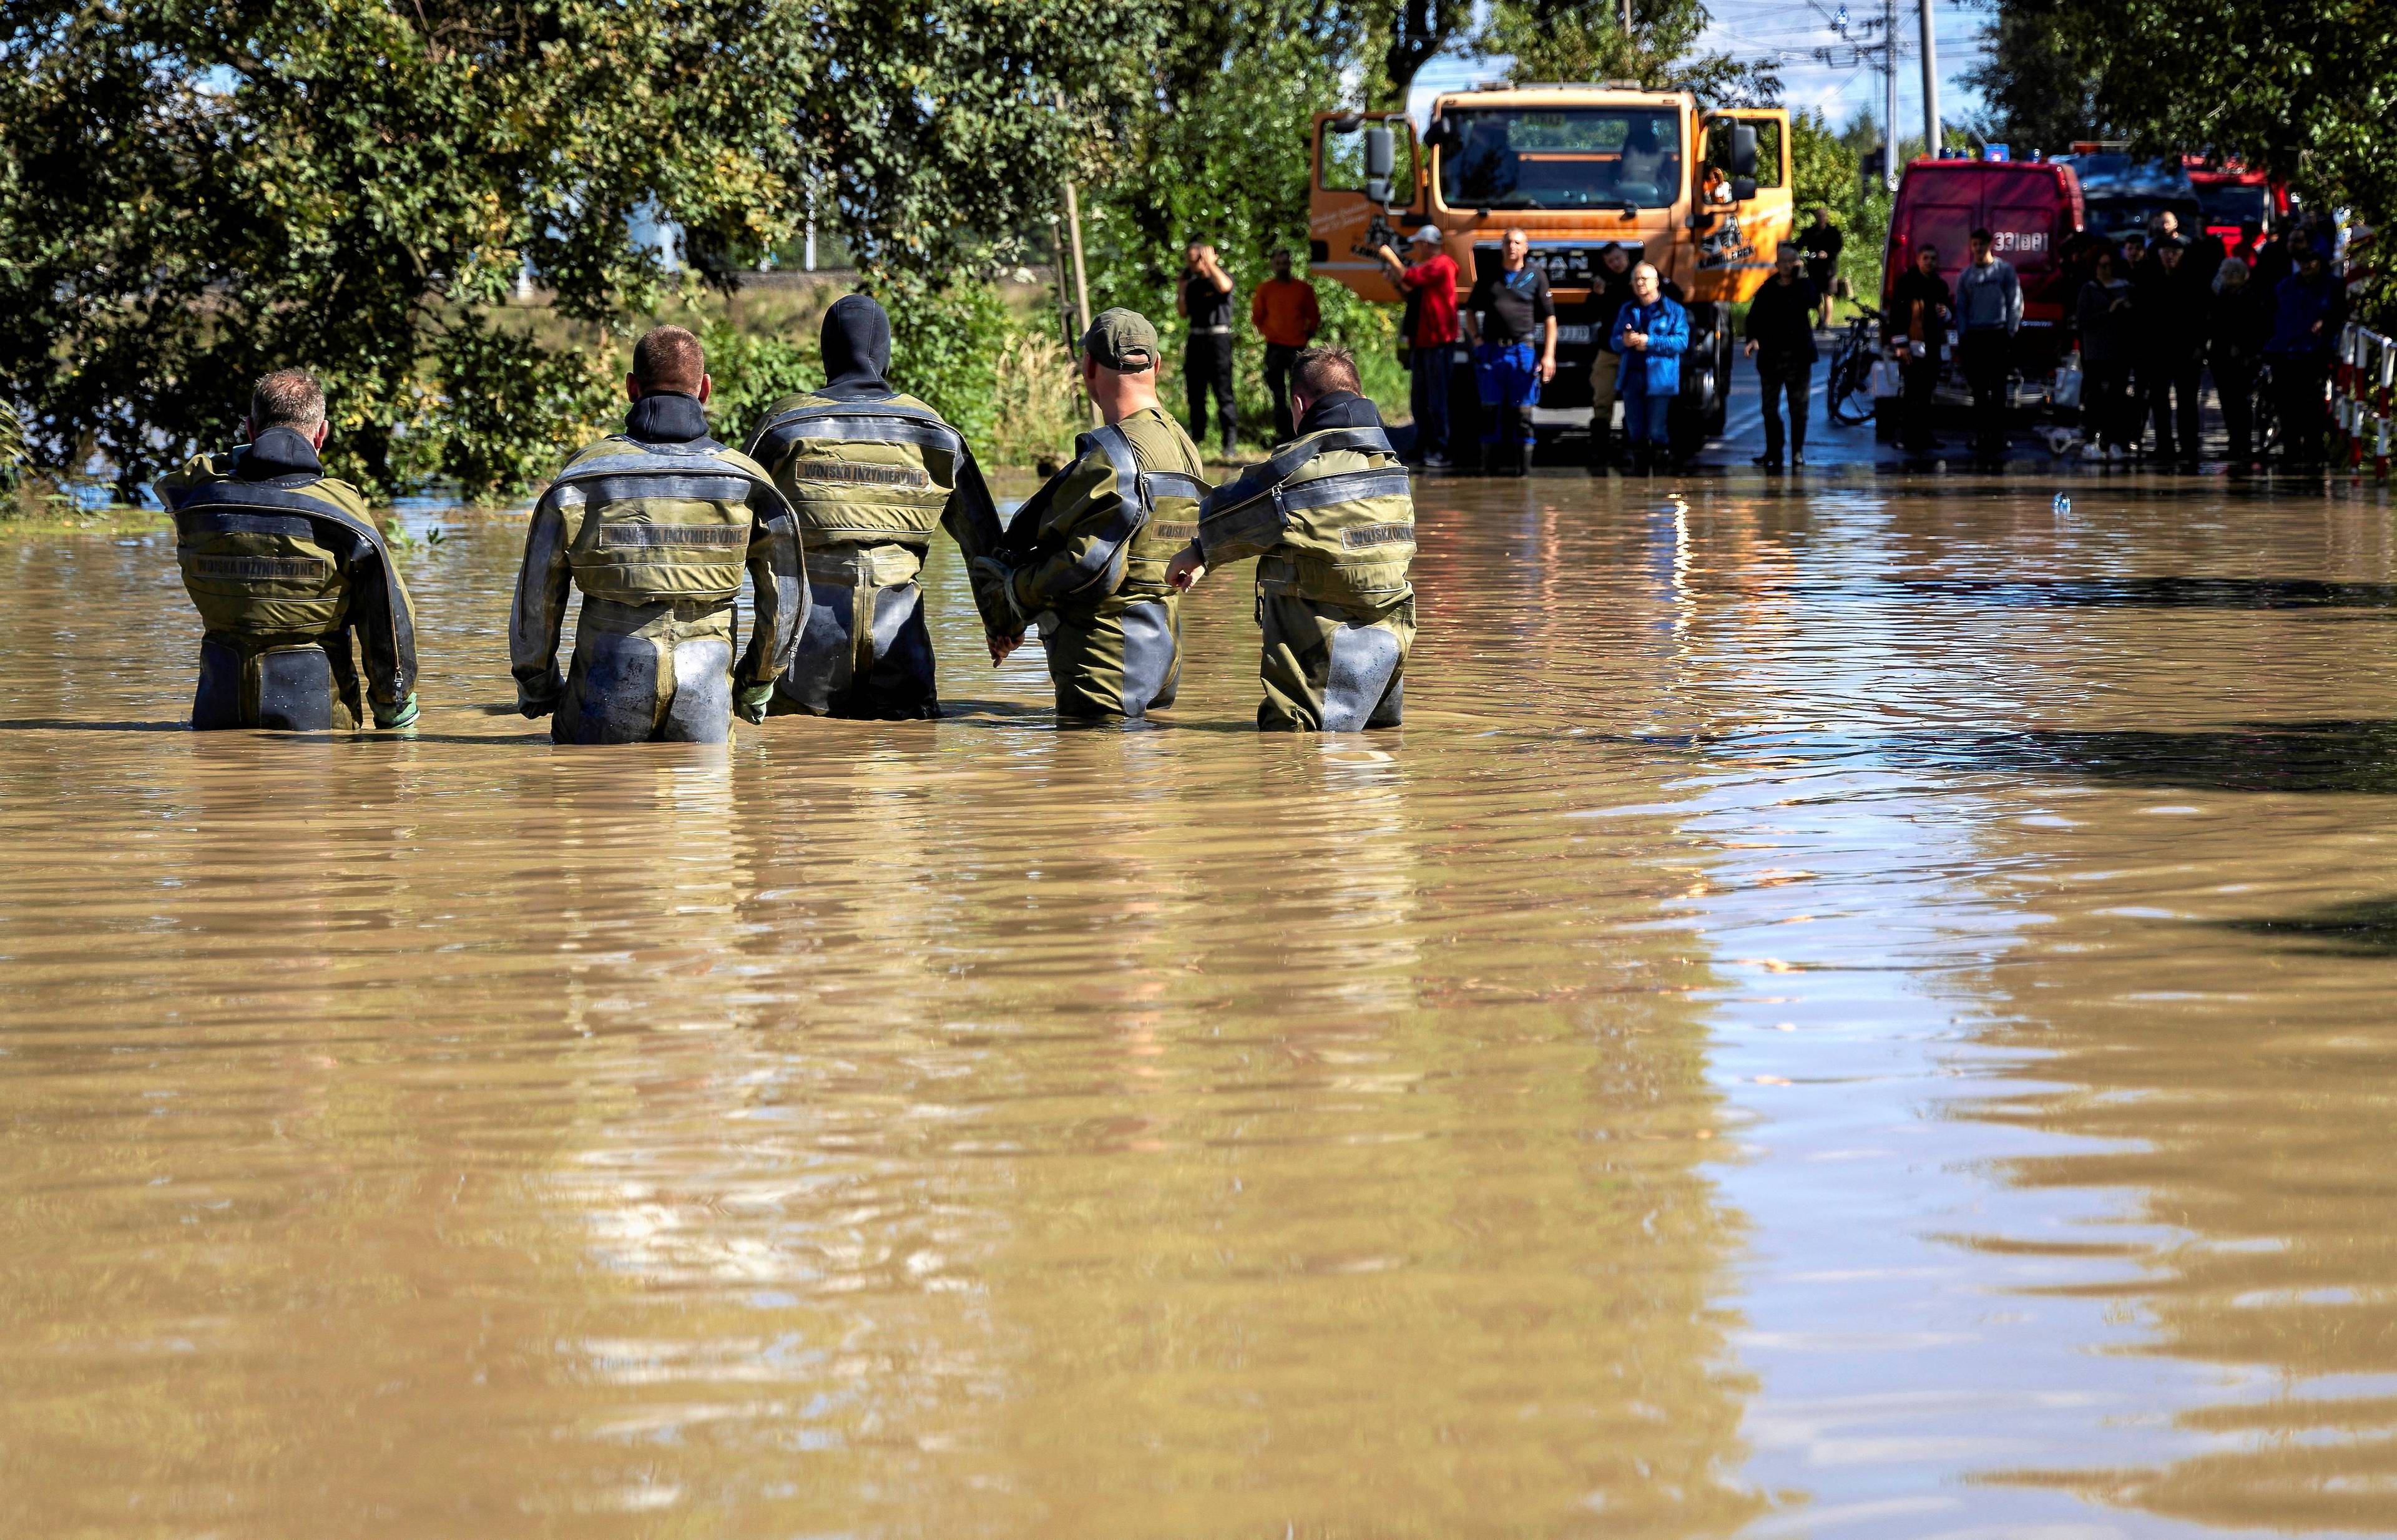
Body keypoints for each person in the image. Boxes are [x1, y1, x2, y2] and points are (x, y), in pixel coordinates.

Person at [510, 325, 805, 744]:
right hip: (706, 695)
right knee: (710, 806)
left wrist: (537, 684)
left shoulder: (581, 478)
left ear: (632, 388)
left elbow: (536, 598)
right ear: (704, 390)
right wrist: (758, 681)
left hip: (604, 691)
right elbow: (786, 596)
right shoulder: (748, 482)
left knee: (594, 796)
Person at [742, 295, 1016, 720]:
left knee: (798, 772)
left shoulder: (786, 425)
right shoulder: (936, 432)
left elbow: (731, 523)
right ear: (885, 354)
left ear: (828, 353)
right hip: (901, 644)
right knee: (906, 770)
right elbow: (982, 539)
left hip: (806, 647)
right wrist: (1002, 623)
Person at [974, 309, 1210, 721]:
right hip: (1162, 658)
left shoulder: (1112, 454)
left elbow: (1085, 562)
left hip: (1105, 664)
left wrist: (1013, 594)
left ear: (1087, 367)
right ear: (1157, 366)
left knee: (1092, 778)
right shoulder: (1184, 446)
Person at [155, 369, 419, 733]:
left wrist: (240, 458)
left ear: (249, 431)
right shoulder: (341, 509)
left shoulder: (197, 503)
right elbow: (388, 617)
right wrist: (395, 706)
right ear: (321, 433)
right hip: (317, 712)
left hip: (216, 708)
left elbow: (173, 483)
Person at [1163, 346, 1411, 732]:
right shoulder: (1393, 469)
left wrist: (1198, 552)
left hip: (1318, 668)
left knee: (1296, 765)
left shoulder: (1297, 468)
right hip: (1387, 656)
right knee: (1373, 759)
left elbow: (1226, 510)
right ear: (1360, 397)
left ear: (1299, 404)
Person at [1461, 227, 1556, 476]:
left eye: (1517, 242)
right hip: (1492, 352)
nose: (1512, 246)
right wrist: (1478, 340)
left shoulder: (1536, 275)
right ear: (1502, 247)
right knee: (1489, 411)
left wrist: (1548, 355)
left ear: (1526, 248)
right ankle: (1488, 475)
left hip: (1522, 352)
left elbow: (1550, 318)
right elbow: (1470, 311)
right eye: (1507, 242)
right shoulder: (1490, 275)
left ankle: (1522, 476)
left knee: (1523, 415)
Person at [1373, 225, 1459, 468]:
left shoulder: (1442, 265)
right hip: (1424, 343)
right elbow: (1411, 292)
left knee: (1437, 399)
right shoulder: (1430, 268)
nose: (1416, 249)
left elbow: (1411, 278)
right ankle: (1422, 446)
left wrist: (1390, 255)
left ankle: (1442, 449)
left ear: (1427, 245)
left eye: (1418, 244)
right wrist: (1395, 280)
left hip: (1439, 343)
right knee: (1420, 400)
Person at [2264, 243, 2350, 469]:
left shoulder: (2332, 286)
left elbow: (2340, 313)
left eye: (2310, 262)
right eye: (2302, 262)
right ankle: (2291, 448)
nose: (2306, 266)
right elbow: (2271, 316)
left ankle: (2314, 448)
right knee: (2285, 403)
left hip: (2314, 353)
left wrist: (2326, 324)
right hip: (2284, 352)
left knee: (2313, 403)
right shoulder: (2285, 286)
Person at [1610, 261, 1689, 476]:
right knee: (1635, 430)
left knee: (1657, 430)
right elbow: (1614, 341)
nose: (1640, 283)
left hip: (1660, 379)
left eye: (1644, 279)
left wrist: (1650, 341)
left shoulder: (1673, 310)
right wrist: (1625, 341)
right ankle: (1639, 480)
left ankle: (1662, 477)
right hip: (1632, 377)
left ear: (1656, 282)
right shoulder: (1627, 309)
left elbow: (1681, 343)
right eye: (1636, 279)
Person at [1743, 245, 1818, 469]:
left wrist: (1801, 275)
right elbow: (1753, 317)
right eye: (1783, 261)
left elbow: (1813, 301)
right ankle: (1773, 451)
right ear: (1776, 265)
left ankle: (1797, 452)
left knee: (1799, 408)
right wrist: (1752, 339)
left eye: (1791, 261)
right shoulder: (1767, 289)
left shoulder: (1804, 286)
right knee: (1769, 408)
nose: (1786, 265)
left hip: (1798, 357)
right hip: (1771, 357)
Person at [2135, 237, 2208, 460]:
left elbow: (2203, 317)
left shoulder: (2193, 280)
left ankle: (2189, 446)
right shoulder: (2150, 278)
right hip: (2158, 351)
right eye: (2166, 252)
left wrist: (2199, 346)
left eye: (2174, 252)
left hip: (2186, 351)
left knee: (2187, 402)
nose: (2170, 256)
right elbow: (2143, 317)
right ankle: (2164, 445)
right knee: (2159, 400)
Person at [1954, 227, 2022, 461]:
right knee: (1980, 392)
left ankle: (1998, 437)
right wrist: (1964, 336)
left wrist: (2010, 331)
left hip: (1998, 335)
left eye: (1982, 244)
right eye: (1975, 244)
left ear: (1990, 245)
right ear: (1971, 246)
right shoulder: (1966, 276)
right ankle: (1981, 436)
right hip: (1975, 337)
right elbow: (1961, 308)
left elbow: (2015, 302)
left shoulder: (2004, 271)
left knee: (1999, 391)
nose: (1979, 248)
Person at [1250, 248, 1321, 442]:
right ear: (1273, 264)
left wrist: (1305, 335)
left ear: (1291, 264)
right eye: (1279, 263)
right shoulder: (1265, 289)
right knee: (1278, 392)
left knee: (1299, 391)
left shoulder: (1303, 289)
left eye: (1285, 263)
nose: (1282, 267)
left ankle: (1300, 431)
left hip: (1297, 347)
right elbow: (1257, 317)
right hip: (1274, 346)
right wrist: (1270, 333)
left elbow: (1314, 317)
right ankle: (1282, 433)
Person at [2207, 256, 2272, 468]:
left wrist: (2245, 348)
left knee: (2241, 403)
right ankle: (2235, 442)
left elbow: (2257, 327)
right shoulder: (2220, 297)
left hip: (2242, 359)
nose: (2222, 277)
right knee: (2228, 402)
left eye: (2226, 273)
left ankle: (2243, 443)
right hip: (2221, 356)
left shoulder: (2250, 297)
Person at [2074, 248, 2138, 461]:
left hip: (2120, 351)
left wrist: (2127, 309)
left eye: (2109, 265)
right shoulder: (2089, 290)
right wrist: (2108, 312)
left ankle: (2116, 439)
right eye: (2102, 266)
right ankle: (2094, 438)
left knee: (2117, 398)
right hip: (2096, 352)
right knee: (2095, 399)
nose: (2106, 270)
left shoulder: (2125, 288)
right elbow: (2084, 321)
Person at [1890, 245, 1952, 457]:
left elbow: (1948, 314)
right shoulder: (1907, 283)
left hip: (1933, 347)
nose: (1929, 262)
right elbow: (1897, 315)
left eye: (1933, 259)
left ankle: (1925, 435)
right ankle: (1906, 437)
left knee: (1927, 394)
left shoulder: (1940, 285)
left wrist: (1946, 312)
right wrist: (1901, 344)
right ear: (1918, 260)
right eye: (1925, 258)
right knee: (1911, 394)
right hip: (1911, 347)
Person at [1177, 242, 1238, 458]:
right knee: (1195, 392)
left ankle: (1229, 441)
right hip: (1196, 338)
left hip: (1218, 339)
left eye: (1196, 258)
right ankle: (1198, 437)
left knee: (1223, 392)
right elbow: (1183, 312)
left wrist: (1211, 263)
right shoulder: (1192, 285)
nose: (1192, 264)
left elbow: (1225, 287)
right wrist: (1181, 288)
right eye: (1190, 259)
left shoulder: (1221, 277)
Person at [1583, 242, 1640, 472]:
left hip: (1635, 351)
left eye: (1618, 258)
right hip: (1608, 349)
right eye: (1610, 261)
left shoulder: (1640, 277)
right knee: (1602, 399)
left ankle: (1629, 449)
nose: (1615, 264)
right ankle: (1600, 450)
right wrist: (1596, 295)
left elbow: (1669, 296)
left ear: (1626, 254)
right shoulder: (1602, 282)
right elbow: (1589, 313)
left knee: (1633, 400)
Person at [1799, 207, 1844, 330]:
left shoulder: (1833, 232)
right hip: (1814, 269)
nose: (1820, 218)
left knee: (1828, 295)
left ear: (1826, 217)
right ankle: (1821, 318)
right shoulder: (1810, 232)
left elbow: (1838, 247)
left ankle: (1826, 323)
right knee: (1815, 296)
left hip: (1829, 270)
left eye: (1823, 216)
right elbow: (1799, 244)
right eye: (1818, 216)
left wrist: (1827, 253)